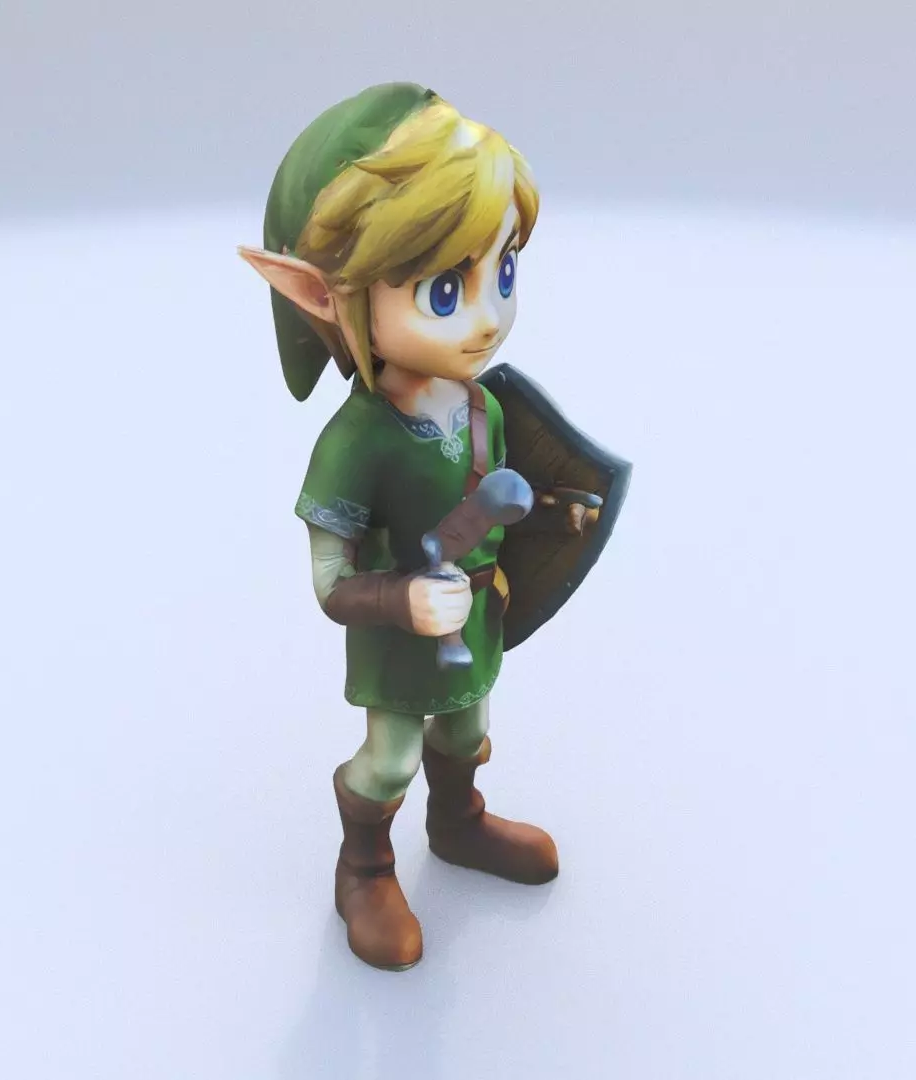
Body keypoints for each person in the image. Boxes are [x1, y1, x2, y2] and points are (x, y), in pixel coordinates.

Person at [238, 83, 562, 971]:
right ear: (326, 295)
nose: (489, 316)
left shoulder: (484, 406)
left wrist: (546, 524)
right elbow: (331, 582)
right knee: (389, 760)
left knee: (464, 734)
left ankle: (458, 823)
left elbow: (505, 503)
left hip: (477, 616)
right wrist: (402, 601)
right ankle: (365, 870)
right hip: (399, 636)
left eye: (502, 272)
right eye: (444, 289)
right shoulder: (357, 440)